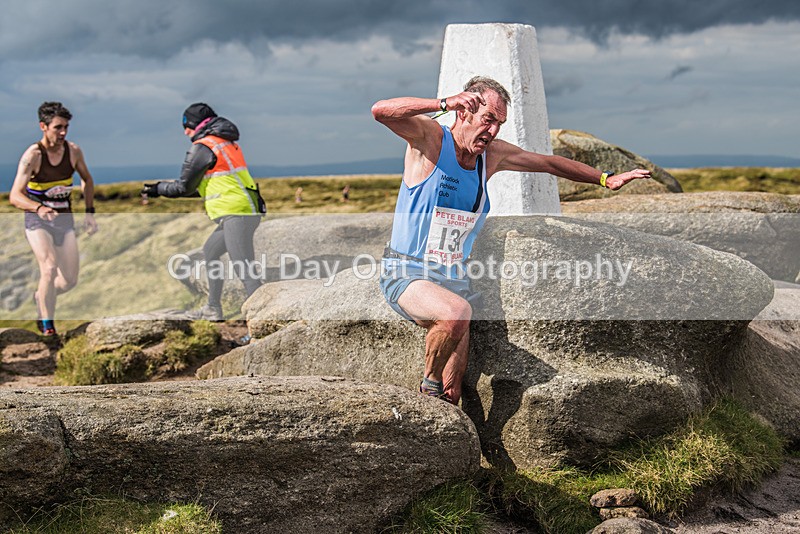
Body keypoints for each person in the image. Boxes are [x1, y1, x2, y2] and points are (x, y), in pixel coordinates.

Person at [372, 76, 651, 405]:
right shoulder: (430, 139)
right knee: (457, 314)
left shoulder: (491, 156)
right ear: (465, 112)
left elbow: (548, 163)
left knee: (453, 392)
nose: (492, 132)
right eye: (488, 120)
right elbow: (381, 111)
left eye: (499, 124)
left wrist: (605, 178)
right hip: (407, 272)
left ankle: (445, 432)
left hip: (452, 279)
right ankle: (426, 386)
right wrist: (443, 103)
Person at [142, 103, 264, 321]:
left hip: (236, 212)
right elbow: (205, 186)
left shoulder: (203, 146)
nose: (185, 132)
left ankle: (262, 323)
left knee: (245, 271)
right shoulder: (225, 143)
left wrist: (157, 189)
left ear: (196, 125)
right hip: (242, 209)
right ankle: (212, 309)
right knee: (211, 251)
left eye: (186, 125)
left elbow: (184, 186)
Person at [9, 102, 98, 337]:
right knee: (48, 268)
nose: (63, 133)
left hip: (64, 222)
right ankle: (48, 326)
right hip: (37, 222)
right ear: (43, 126)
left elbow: (87, 180)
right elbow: (15, 196)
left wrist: (89, 212)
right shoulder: (33, 156)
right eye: (58, 127)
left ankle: (41, 296)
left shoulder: (74, 151)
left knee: (69, 281)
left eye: (66, 127)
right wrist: (38, 208)